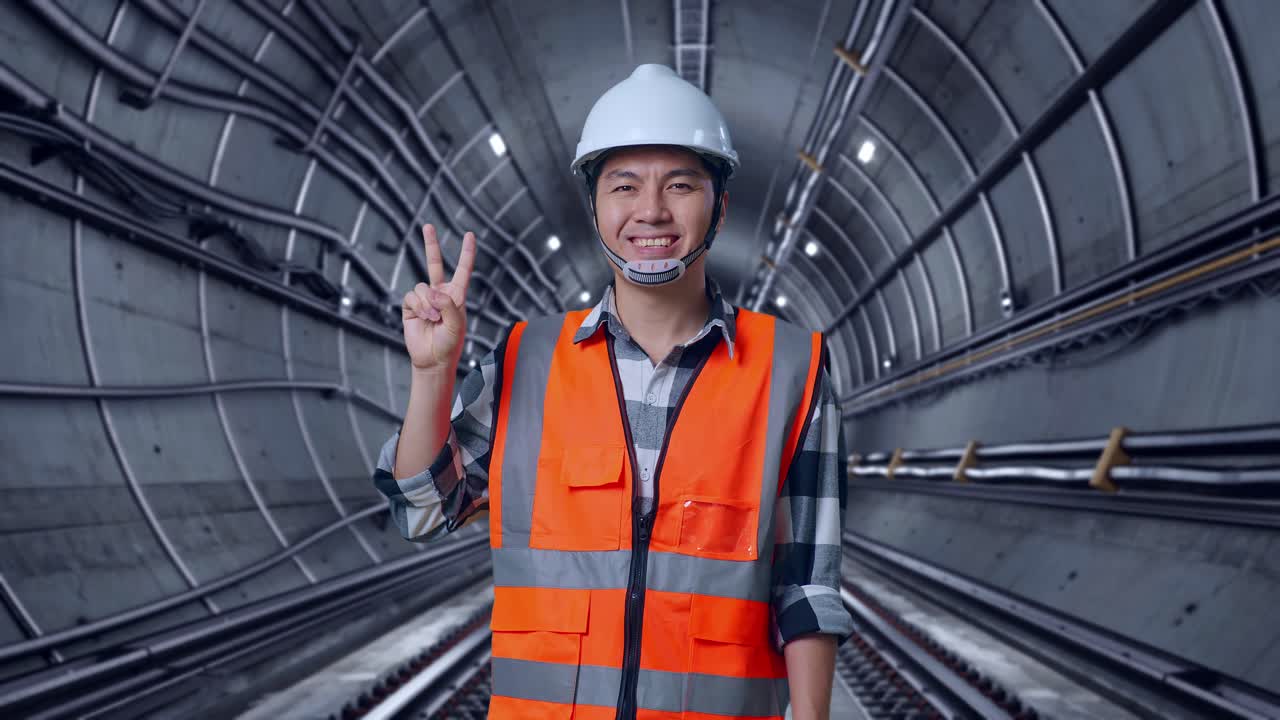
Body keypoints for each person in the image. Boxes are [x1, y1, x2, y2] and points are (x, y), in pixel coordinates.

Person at [373, 64, 852, 720]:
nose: (651, 210)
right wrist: (433, 375)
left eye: (680, 185)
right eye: (624, 186)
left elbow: (807, 592)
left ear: (720, 205)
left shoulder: (794, 372)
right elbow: (421, 511)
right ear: (595, 206)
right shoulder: (524, 361)